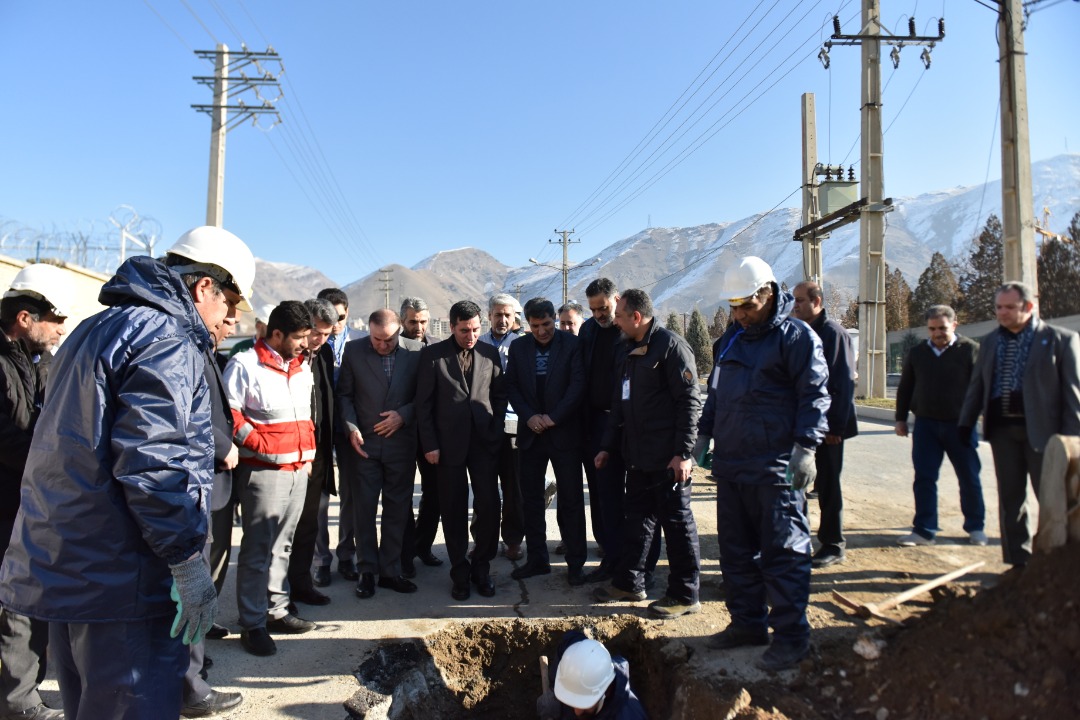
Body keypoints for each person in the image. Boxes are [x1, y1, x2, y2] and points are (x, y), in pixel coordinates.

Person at [0, 226, 254, 718]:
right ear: (204, 287)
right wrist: (184, 558)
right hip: (127, 580)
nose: (231, 316)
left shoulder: (95, 329)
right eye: (230, 301)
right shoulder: (164, 339)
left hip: (77, 569)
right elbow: (154, 463)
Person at [697, 256, 828, 672]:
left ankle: (792, 637)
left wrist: (806, 447)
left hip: (775, 470)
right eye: (733, 307)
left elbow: (816, 396)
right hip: (733, 466)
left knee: (784, 554)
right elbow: (715, 394)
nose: (738, 315)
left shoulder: (796, 338)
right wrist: (703, 434)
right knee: (735, 555)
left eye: (746, 307)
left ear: (768, 295)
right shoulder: (732, 342)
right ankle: (747, 623)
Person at [592, 289, 703, 620]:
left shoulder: (670, 347)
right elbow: (619, 406)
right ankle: (630, 582)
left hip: (667, 460)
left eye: (620, 316)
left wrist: (683, 453)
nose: (616, 322)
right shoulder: (627, 349)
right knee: (638, 522)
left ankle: (685, 594)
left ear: (636, 317)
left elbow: (689, 402)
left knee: (678, 525)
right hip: (637, 457)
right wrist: (607, 447)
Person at [959, 282, 1080, 567]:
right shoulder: (990, 342)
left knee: (1055, 499)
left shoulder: (1060, 340)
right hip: (1003, 433)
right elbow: (977, 386)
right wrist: (965, 422)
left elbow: (1073, 394)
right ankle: (1018, 561)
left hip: (1047, 436)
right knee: (1011, 500)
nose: (1002, 313)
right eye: (999, 307)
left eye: (1009, 307)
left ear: (1028, 307)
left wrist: (1073, 441)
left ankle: (1059, 563)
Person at [224, 300, 318, 657]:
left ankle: (277, 610)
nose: (304, 344)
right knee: (257, 549)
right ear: (276, 334)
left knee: (284, 545)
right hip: (263, 473)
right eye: (298, 337)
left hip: (298, 470)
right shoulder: (244, 364)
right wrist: (258, 443)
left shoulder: (303, 367)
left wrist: (306, 455)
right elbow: (228, 412)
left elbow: (304, 415)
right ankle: (252, 623)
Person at [0, 264, 70, 720]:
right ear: (26, 317)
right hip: (9, 502)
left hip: (31, 501)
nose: (62, 329)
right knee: (16, 605)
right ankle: (17, 702)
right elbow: (9, 438)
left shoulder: (37, 363)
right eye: (56, 319)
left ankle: (24, 690)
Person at [416, 300, 507, 601]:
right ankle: (459, 573)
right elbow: (424, 406)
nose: (471, 336)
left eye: (476, 329)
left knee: (490, 507)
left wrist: (494, 431)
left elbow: (498, 395)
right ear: (452, 325)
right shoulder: (432, 356)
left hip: (484, 444)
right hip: (447, 448)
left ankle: (482, 568)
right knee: (452, 510)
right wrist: (430, 445)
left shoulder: (490, 353)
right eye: (464, 330)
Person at [182, 290, 245, 718]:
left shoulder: (205, 350)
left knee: (197, 587)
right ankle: (190, 686)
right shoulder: (184, 350)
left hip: (206, 485)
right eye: (227, 318)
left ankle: (195, 667)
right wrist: (223, 445)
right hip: (192, 486)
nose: (230, 326)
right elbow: (191, 416)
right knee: (189, 588)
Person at [337, 309, 423, 598]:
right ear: (369, 332)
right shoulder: (354, 351)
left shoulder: (416, 351)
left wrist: (403, 415)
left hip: (401, 444)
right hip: (365, 446)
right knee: (364, 510)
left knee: (397, 510)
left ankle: (390, 571)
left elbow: (424, 396)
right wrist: (351, 428)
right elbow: (345, 395)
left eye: (389, 340)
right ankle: (366, 571)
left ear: (399, 331)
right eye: (377, 339)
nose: (383, 345)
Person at [505, 298, 588, 586]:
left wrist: (553, 417)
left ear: (555, 318)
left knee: (572, 500)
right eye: (535, 326)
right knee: (531, 500)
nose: (542, 331)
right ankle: (537, 560)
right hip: (531, 434)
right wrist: (529, 417)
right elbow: (511, 385)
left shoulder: (572, 345)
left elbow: (578, 385)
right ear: (527, 323)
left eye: (547, 324)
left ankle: (576, 563)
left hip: (563, 432)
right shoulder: (519, 347)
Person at [894, 305, 986, 547]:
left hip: (961, 426)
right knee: (924, 478)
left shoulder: (970, 351)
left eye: (942, 328)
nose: (937, 333)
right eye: (932, 329)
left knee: (969, 477)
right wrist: (900, 418)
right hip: (926, 426)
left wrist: (980, 417)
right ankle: (924, 530)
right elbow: (905, 388)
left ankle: (976, 527)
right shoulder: (917, 353)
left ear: (954, 325)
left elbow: (981, 388)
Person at [791, 281, 857, 567]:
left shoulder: (833, 334)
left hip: (828, 428)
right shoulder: (800, 332)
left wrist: (834, 428)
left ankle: (833, 544)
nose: (795, 306)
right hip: (802, 423)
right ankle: (798, 542)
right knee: (797, 484)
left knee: (828, 485)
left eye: (800, 301)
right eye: (794, 301)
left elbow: (841, 384)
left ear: (817, 301)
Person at [286, 298, 337, 609]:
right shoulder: (283, 355)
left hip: (317, 454)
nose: (320, 340)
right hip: (287, 454)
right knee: (282, 529)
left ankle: (302, 584)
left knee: (309, 524)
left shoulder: (325, 354)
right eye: (316, 332)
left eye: (328, 334)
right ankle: (275, 595)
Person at [316, 288, 361, 585]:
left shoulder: (359, 343)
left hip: (349, 426)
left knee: (351, 495)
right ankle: (321, 560)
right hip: (319, 427)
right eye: (329, 318)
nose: (335, 324)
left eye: (340, 318)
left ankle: (347, 555)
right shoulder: (311, 344)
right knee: (319, 500)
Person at [478, 293, 526, 561]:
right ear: (489, 316)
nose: (503, 319)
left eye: (508, 315)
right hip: (483, 427)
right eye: (498, 314)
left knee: (512, 487)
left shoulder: (521, 345)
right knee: (484, 488)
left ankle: (513, 540)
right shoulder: (478, 343)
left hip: (513, 427)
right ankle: (483, 539)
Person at [399, 296, 444, 571]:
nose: (419, 326)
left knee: (435, 493)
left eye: (423, 321)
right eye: (413, 321)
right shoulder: (393, 349)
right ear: (402, 320)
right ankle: (405, 554)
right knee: (401, 495)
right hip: (402, 432)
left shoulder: (438, 349)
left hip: (430, 434)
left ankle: (423, 546)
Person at [537, 631, 648, 720]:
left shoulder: (628, 716)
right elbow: (571, 639)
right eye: (573, 701)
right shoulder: (586, 662)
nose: (577, 711)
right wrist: (555, 697)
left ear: (606, 691)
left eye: (584, 704)